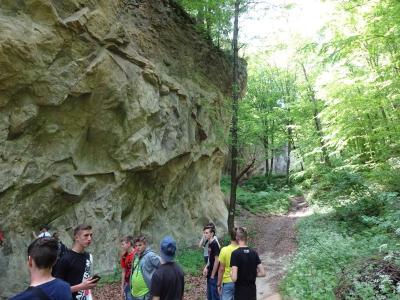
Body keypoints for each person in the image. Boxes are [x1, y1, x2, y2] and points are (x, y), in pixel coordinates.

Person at [53, 224, 98, 300]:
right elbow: (57, 290)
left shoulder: (89, 256)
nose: (89, 238)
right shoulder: (65, 259)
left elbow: (87, 283)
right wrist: (81, 287)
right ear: (77, 237)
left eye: (91, 235)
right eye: (86, 235)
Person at [230, 227, 266, 300]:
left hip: (240, 293)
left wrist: (231, 274)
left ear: (237, 237)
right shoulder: (254, 253)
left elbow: (234, 278)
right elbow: (263, 273)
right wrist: (251, 274)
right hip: (252, 292)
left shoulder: (235, 254)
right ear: (247, 238)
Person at [150, 236, 184, 300]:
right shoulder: (180, 270)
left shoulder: (158, 274)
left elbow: (156, 298)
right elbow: (181, 296)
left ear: (161, 250)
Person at [130, 235, 161, 300]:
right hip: (134, 293)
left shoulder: (150, 255)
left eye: (140, 245)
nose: (137, 248)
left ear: (145, 244)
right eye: (136, 246)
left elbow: (164, 266)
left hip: (146, 294)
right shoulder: (136, 256)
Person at [217, 228, 239, 300]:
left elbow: (221, 269)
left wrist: (219, 284)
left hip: (227, 282)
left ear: (230, 236)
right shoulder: (242, 249)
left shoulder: (224, 250)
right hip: (240, 282)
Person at [202, 226, 220, 300]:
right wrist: (206, 267)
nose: (205, 235)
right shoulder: (209, 243)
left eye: (206, 233)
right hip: (210, 273)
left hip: (214, 275)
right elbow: (210, 258)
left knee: (214, 296)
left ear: (212, 234)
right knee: (209, 296)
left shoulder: (214, 244)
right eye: (204, 233)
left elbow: (217, 260)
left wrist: (213, 274)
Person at [121, 235, 137, 300]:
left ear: (129, 244)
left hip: (137, 281)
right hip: (128, 282)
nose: (121, 246)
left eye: (123, 244)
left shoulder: (137, 253)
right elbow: (123, 271)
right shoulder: (124, 256)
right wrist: (122, 286)